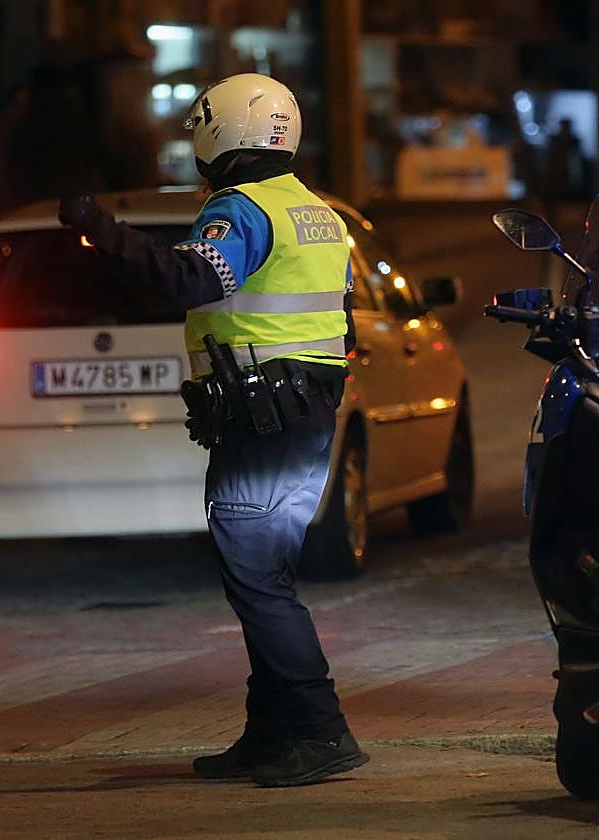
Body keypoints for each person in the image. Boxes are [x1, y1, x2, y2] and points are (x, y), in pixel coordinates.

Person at [57, 73, 367, 787]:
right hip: (303, 414)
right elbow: (338, 325)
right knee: (266, 574)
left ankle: (321, 733)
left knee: (257, 578)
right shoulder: (315, 212)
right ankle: (270, 735)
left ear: (222, 131)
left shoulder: (242, 208)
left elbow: (190, 281)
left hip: (266, 416)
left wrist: (98, 229)